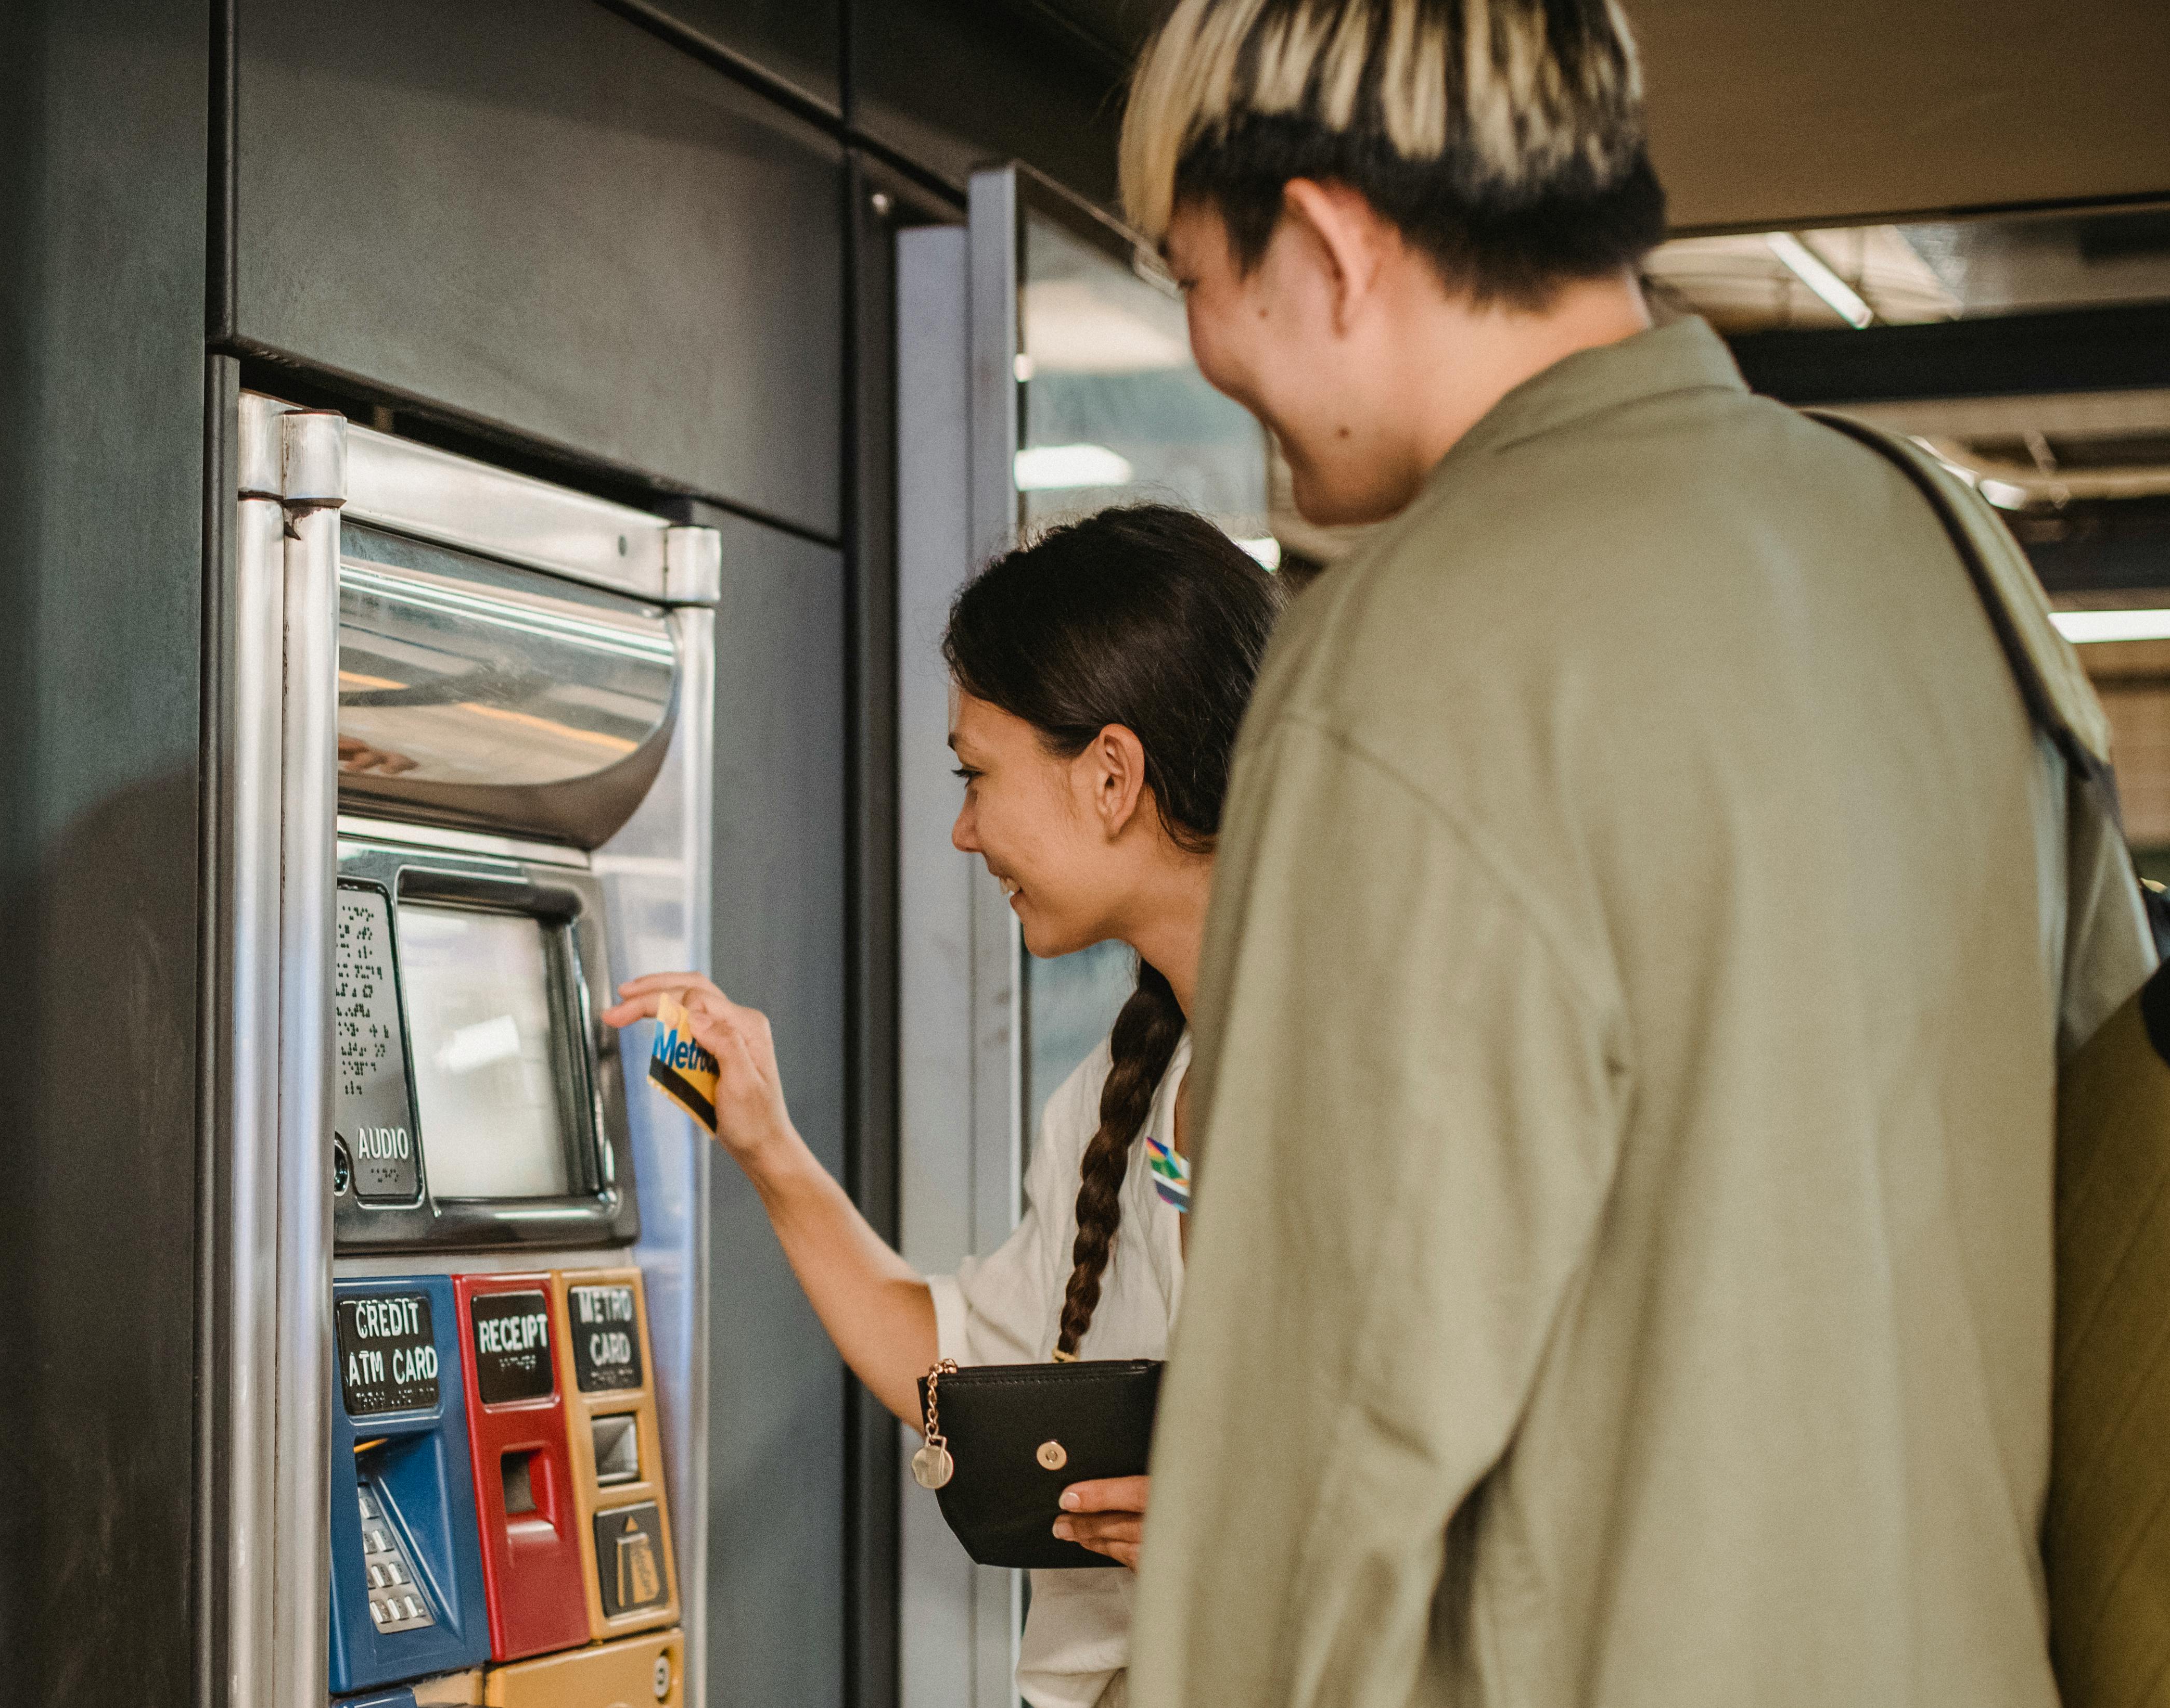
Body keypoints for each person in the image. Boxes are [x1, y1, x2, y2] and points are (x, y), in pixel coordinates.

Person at [1113, 3, 2154, 1707]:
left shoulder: (1412, 653)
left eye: (1190, 279)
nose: (1210, 352)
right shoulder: (1940, 556)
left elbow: (1308, 1475)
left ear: (1322, 242)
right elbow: (2104, 1219)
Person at [604, 505, 1281, 1708]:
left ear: (1110, 776)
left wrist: (1249, 1531)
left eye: (977, 775)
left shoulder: (1380, 1074)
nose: (964, 830)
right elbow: (958, 1375)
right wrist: (764, 1142)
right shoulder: (1119, 1104)